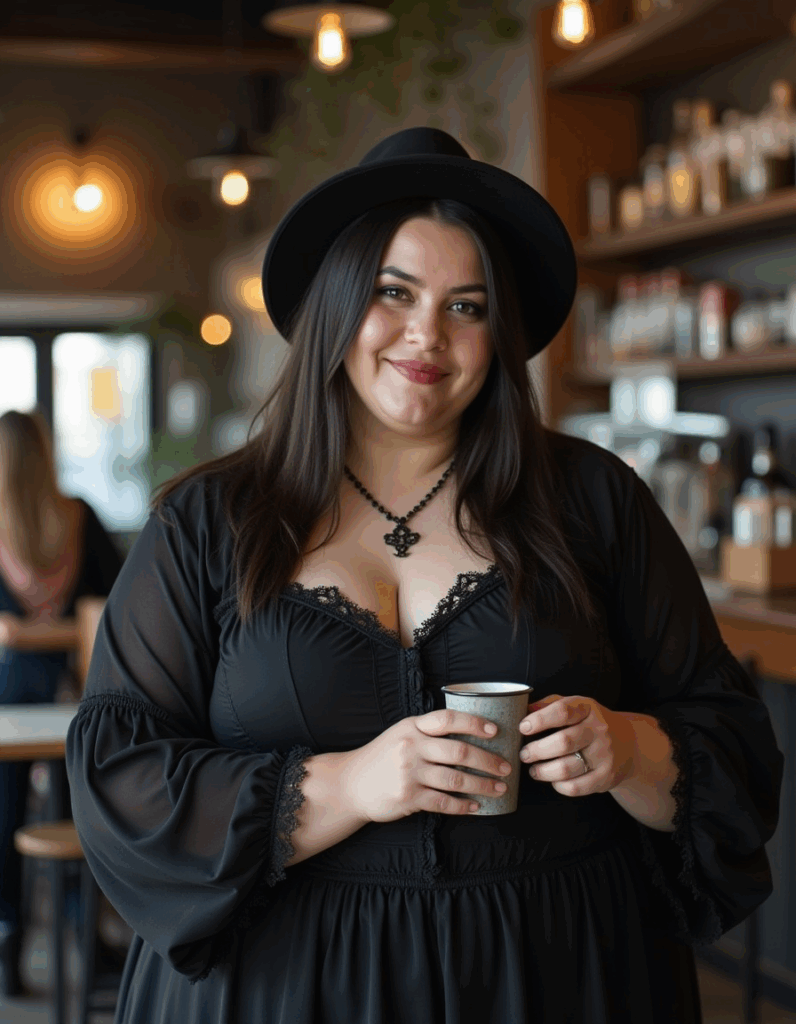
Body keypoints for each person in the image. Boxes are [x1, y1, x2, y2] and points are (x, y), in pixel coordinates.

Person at [65, 128, 783, 1024]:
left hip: (552, 976)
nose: (427, 336)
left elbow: (733, 745)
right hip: (278, 989)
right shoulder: (210, 521)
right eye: (392, 292)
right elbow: (119, 773)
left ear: (500, 335)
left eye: (468, 307)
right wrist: (349, 785)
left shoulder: (596, 501)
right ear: (335, 303)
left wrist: (629, 749)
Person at [0, 409, 124, 996]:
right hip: (79, 697)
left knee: (4, 818)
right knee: (80, 813)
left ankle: (8, 946)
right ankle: (88, 941)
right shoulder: (79, 518)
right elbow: (119, 606)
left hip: (11, 701)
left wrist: (19, 633)